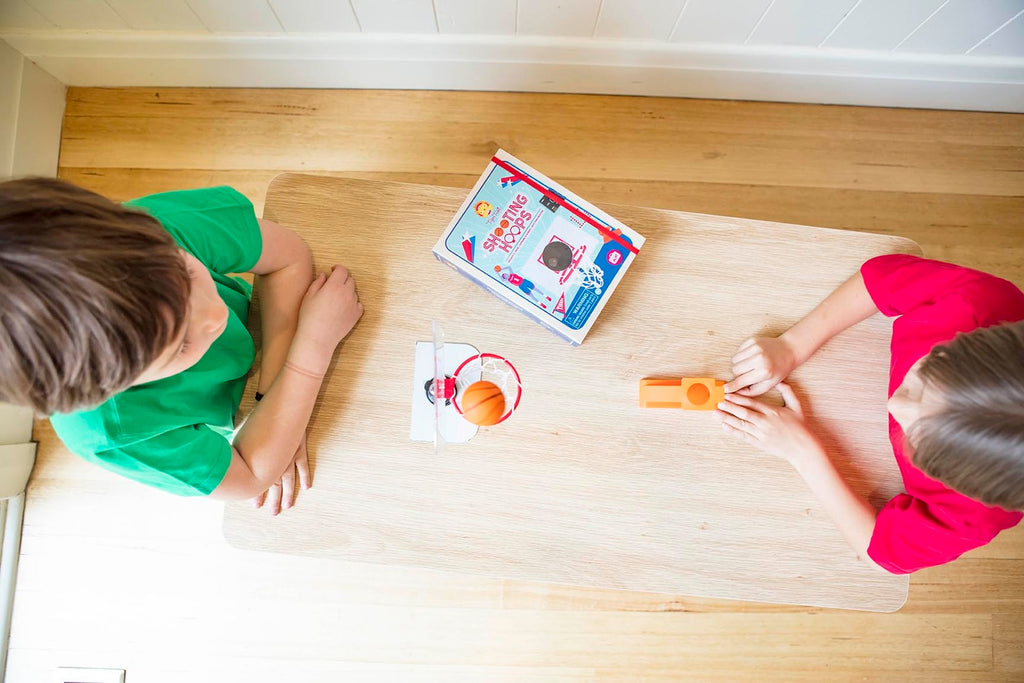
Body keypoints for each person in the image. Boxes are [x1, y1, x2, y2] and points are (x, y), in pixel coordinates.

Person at [0, 177, 363, 515]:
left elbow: (287, 256)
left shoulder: (146, 232)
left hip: (263, 347)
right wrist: (312, 347)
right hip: (235, 411)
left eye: (186, 273)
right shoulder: (109, 434)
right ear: (107, 390)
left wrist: (275, 399)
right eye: (181, 345)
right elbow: (249, 476)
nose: (213, 314)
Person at [715, 254, 1024, 573]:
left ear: (961, 483)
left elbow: (883, 551)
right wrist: (794, 345)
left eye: (920, 439)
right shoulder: (982, 302)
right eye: (923, 378)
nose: (895, 406)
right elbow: (881, 278)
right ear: (969, 340)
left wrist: (802, 452)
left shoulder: (975, 515)